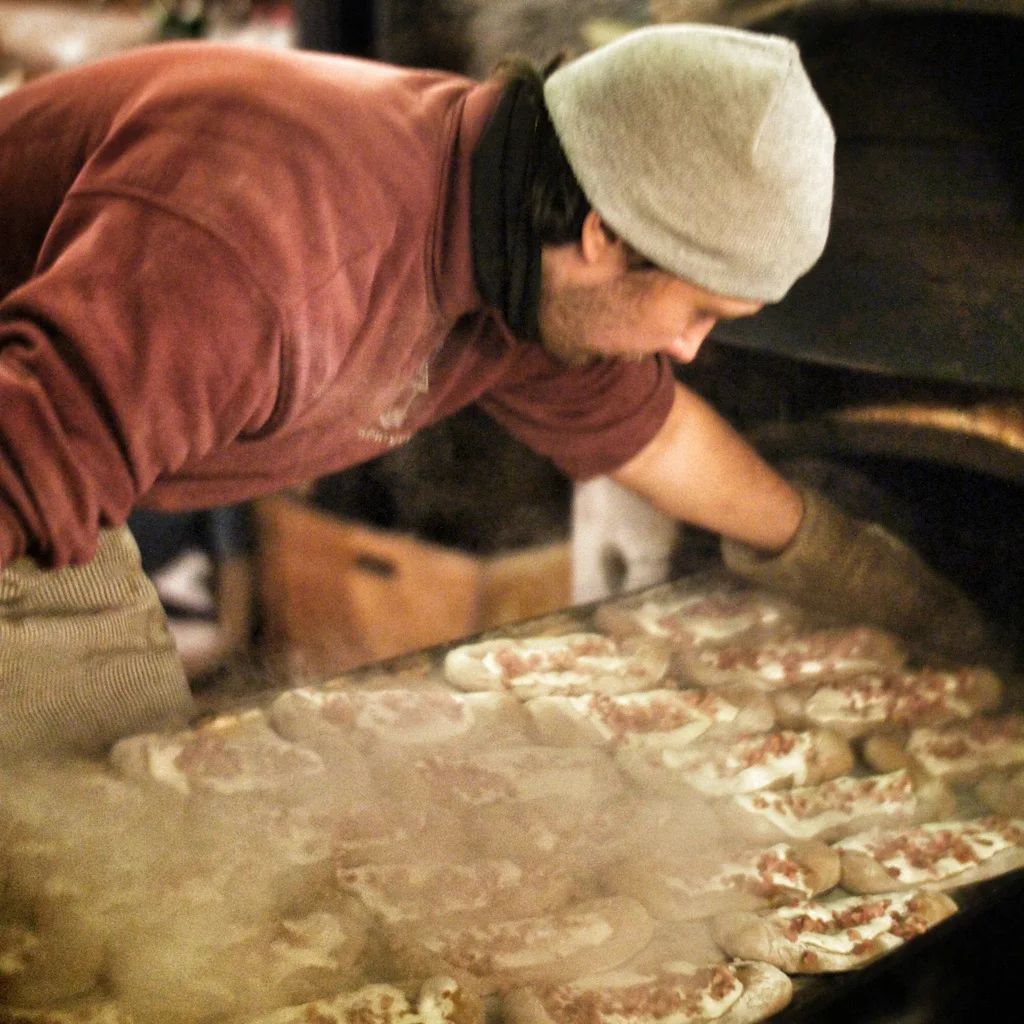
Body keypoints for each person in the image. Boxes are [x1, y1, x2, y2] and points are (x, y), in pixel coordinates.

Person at [0, 24, 991, 754]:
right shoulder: (273, 246)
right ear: (603, 235)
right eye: (699, 313)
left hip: (63, 454)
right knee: (90, 821)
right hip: (26, 457)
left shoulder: (513, 232)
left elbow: (653, 437)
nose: (688, 351)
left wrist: (858, 571)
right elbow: (23, 475)